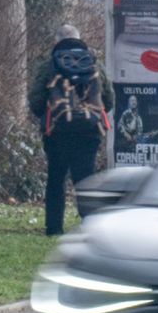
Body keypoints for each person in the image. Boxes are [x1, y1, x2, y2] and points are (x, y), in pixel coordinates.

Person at [29, 24, 115, 236]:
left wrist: (45, 116)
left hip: (57, 131)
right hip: (89, 131)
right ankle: (89, 226)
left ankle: (54, 227)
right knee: (85, 178)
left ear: (57, 41)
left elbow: (36, 100)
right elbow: (109, 98)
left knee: (56, 177)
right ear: (79, 38)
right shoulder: (94, 64)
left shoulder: (49, 65)